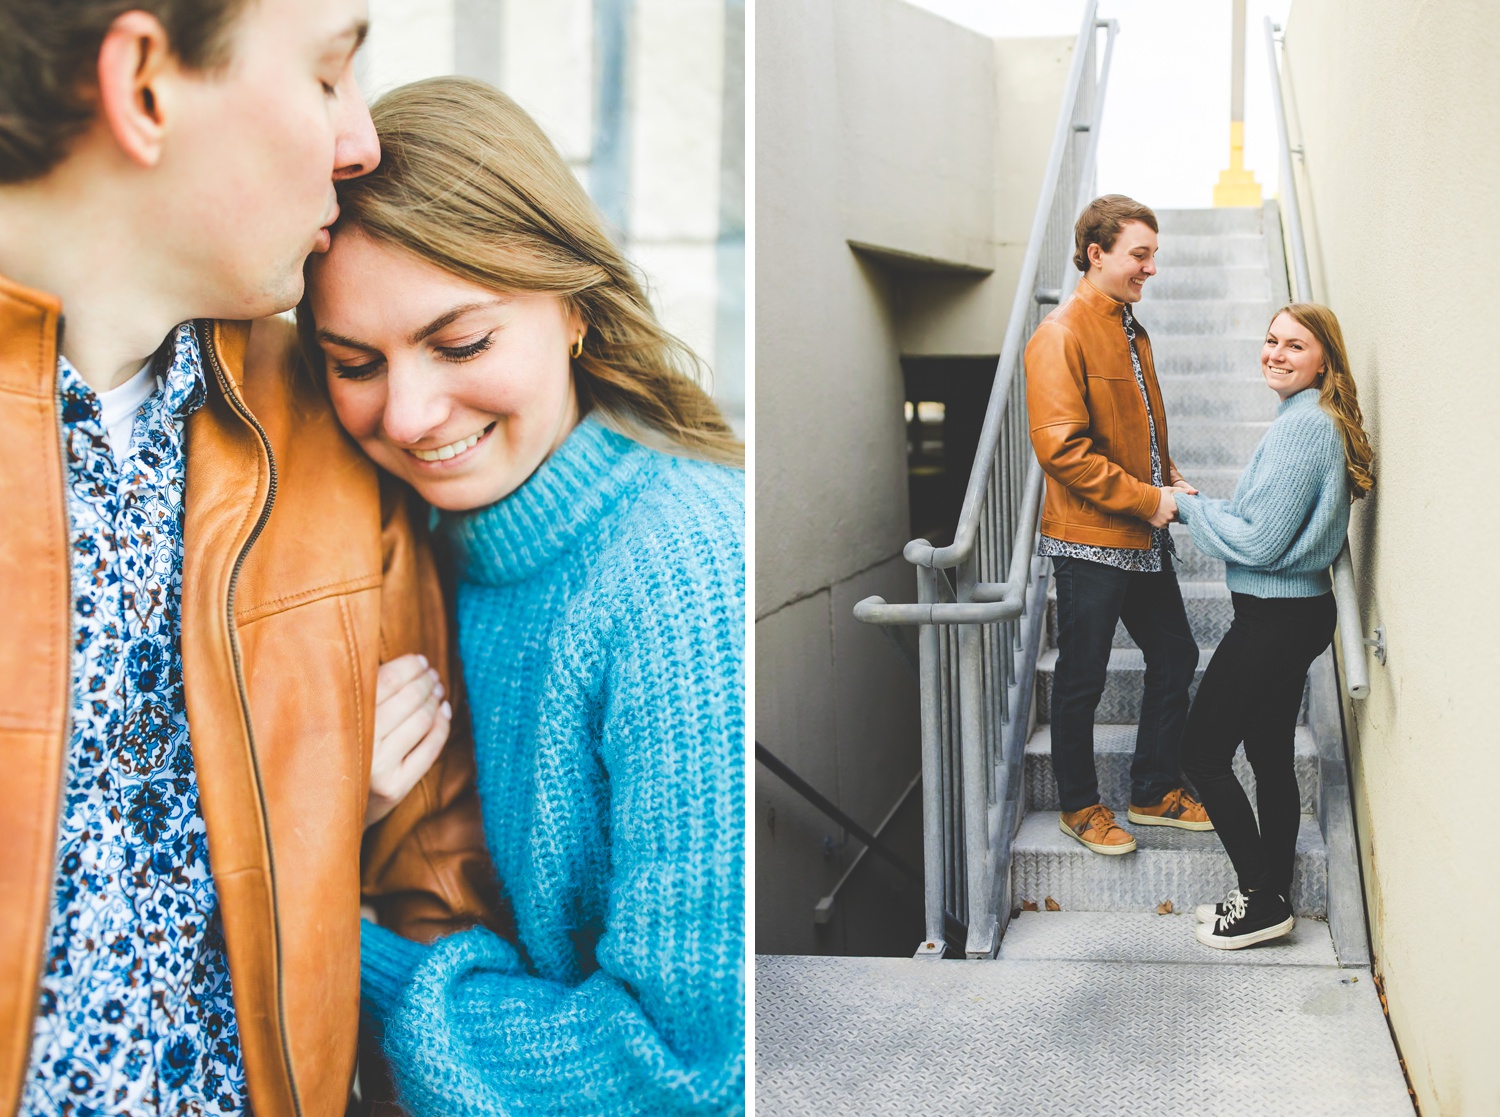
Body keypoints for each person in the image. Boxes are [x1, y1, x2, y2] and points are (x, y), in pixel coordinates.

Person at [0, 2, 493, 1113]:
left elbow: (434, 883)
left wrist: (318, 819)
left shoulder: (343, 425)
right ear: (145, 87)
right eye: (328, 76)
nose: (361, 141)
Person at [302, 77, 746, 1115]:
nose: (410, 415)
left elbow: (694, 1071)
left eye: (461, 343)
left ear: (576, 309)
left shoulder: (682, 568)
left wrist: (328, 931)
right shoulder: (407, 536)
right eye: (354, 362)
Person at [1176, 303, 1374, 949]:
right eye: (1271, 340)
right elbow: (1268, 519)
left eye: (1295, 345)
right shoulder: (1307, 417)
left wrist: (1178, 507)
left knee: (1201, 754)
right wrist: (1202, 505)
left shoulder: (1301, 427)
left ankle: (1262, 900)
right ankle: (1271, 894)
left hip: (1274, 616)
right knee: (1265, 753)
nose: (1276, 353)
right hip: (1296, 611)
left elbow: (1259, 545)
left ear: (1324, 360)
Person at [1024, 194, 1212, 856]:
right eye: (1140, 254)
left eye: (1153, 255)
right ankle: (1079, 806)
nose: (1150, 268)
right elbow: (1064, 451)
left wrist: (1169, 475)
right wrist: (1146, 498)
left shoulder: (1129, 326)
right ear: (1097, 253)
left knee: (1177, 653)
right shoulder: (1060, 335)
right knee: (1081, 678)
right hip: (1089, 539)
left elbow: (1136, 430)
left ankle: (1153, 789)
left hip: (1137, 530)